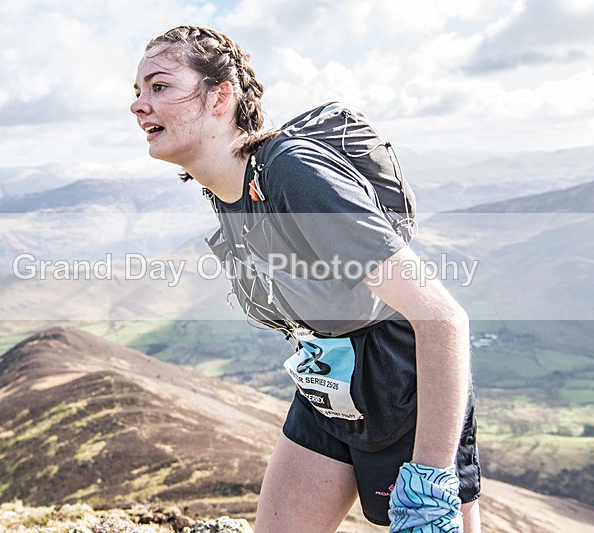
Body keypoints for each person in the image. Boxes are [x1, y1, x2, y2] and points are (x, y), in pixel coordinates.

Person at [130, 25, 481, 532]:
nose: (140, 105)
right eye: (138, 92)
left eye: (159, 87)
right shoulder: (228, 189)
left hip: (405, 387)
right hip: (327, 385)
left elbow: (443, 318)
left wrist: (430, 479)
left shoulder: (294, 174)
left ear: (221, 95)